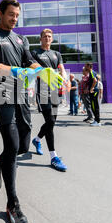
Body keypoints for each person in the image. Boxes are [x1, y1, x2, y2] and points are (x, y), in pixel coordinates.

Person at [0, 0, 62, 223]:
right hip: (3, 92)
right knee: (12, 144)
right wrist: (16, 70)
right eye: (11, 14)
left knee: (23, 146)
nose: (14, 19)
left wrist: (43, 71)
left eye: (17, 15)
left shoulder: (21, 39)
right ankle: (13, 204)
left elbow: (30, 61)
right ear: (0, 13)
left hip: (22, 95)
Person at [31, 28, 68, 172]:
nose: (47, 38)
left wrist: (64, 78)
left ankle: (37, 139)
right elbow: (32, 69)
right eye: (45, 36)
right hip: (42, 91)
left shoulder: (56, 54)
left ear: (52, 39)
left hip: (54, 92)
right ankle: (54, 157)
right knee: (50, 121)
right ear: (40, 39)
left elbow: (62, 69)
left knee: (51, 122)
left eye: (49, 36)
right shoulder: (35, 53)